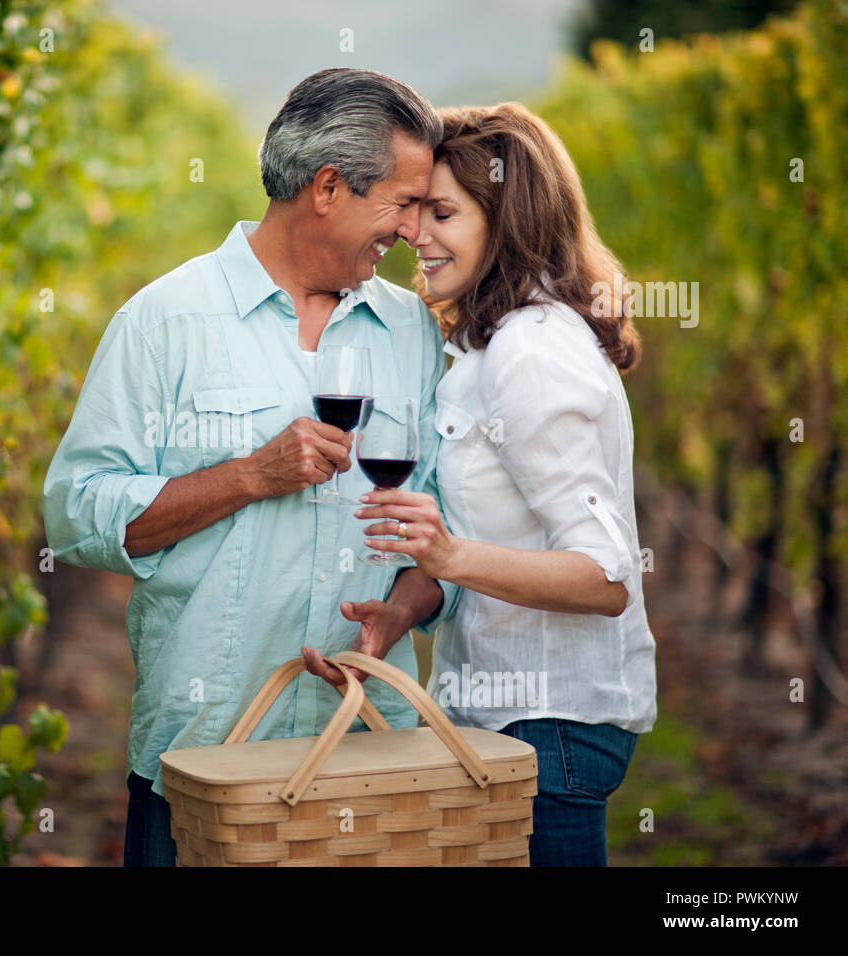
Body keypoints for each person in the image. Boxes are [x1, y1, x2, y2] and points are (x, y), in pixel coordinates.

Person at [43, 68, 460, 867]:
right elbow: (76, 514)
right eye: (403, 202)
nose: (412, 230)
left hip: (368, 760)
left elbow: (444, 526)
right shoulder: (166, 320)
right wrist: (249, 476)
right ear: (329, 188)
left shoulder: (413, 331)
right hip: (204, 764)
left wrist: (399, 614)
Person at [352, 103, 658, 866]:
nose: (415, 235)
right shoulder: (497, 344)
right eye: (415, 211)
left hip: (546, 728)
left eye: (443, 213)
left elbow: (605, 575)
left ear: (509, 219)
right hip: (515, 721)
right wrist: (400, 612)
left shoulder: (531, 352)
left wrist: (451, 557)